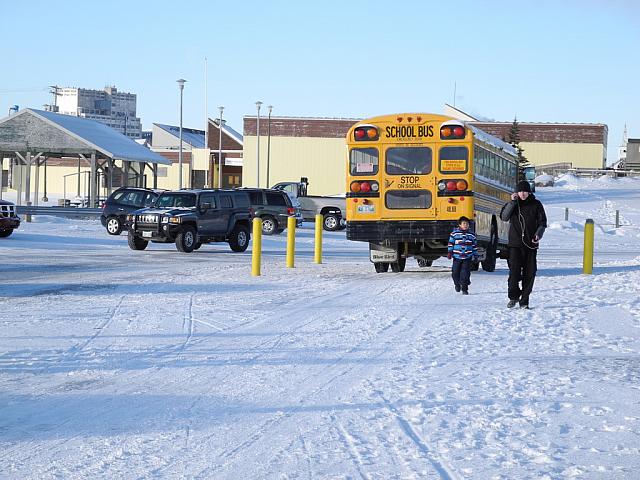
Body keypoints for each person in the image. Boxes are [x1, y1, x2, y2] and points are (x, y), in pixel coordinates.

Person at [500, 180, 548, 309]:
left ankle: (524, 300)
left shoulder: (536, 204)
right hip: (515, 244)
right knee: (514, 273)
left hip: (531, 244)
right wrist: (512, 202)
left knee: (530, 273)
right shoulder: (513, 204)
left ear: (529, 192)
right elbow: (504, 217)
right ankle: (513, 296)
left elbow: (542, 222)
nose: (523, 194)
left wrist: (538, 234)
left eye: (525, 191)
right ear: (516, 192)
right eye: (520, 191)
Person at [447, 216, 478, 295]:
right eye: (464, 223)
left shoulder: (472, 235)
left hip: (467, 257)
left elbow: (474, 246)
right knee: (455, 272)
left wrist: (475, 255)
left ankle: (465, 288)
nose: (465, 225)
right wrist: (450, 252)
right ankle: (457, 284)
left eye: (467, 224)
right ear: (459, 225)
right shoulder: (454, 234)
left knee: (465, 272)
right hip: (457, 257)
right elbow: (451, 244)